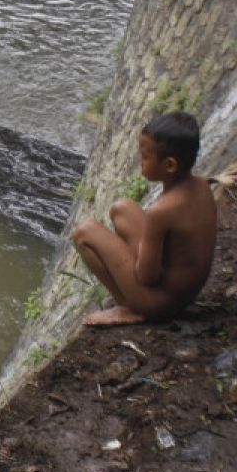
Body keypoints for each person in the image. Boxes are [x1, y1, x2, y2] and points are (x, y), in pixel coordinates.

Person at [72, 111, 217, 327]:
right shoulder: (202, 185)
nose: (140, 162)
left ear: (169, 165)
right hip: (185, 292)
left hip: (161, 303)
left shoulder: (161, 211)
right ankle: (132, 301)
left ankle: (128, 307)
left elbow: (148, 276)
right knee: (122, 209)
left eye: (145, 156)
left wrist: (135, 253)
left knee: (84, 232)